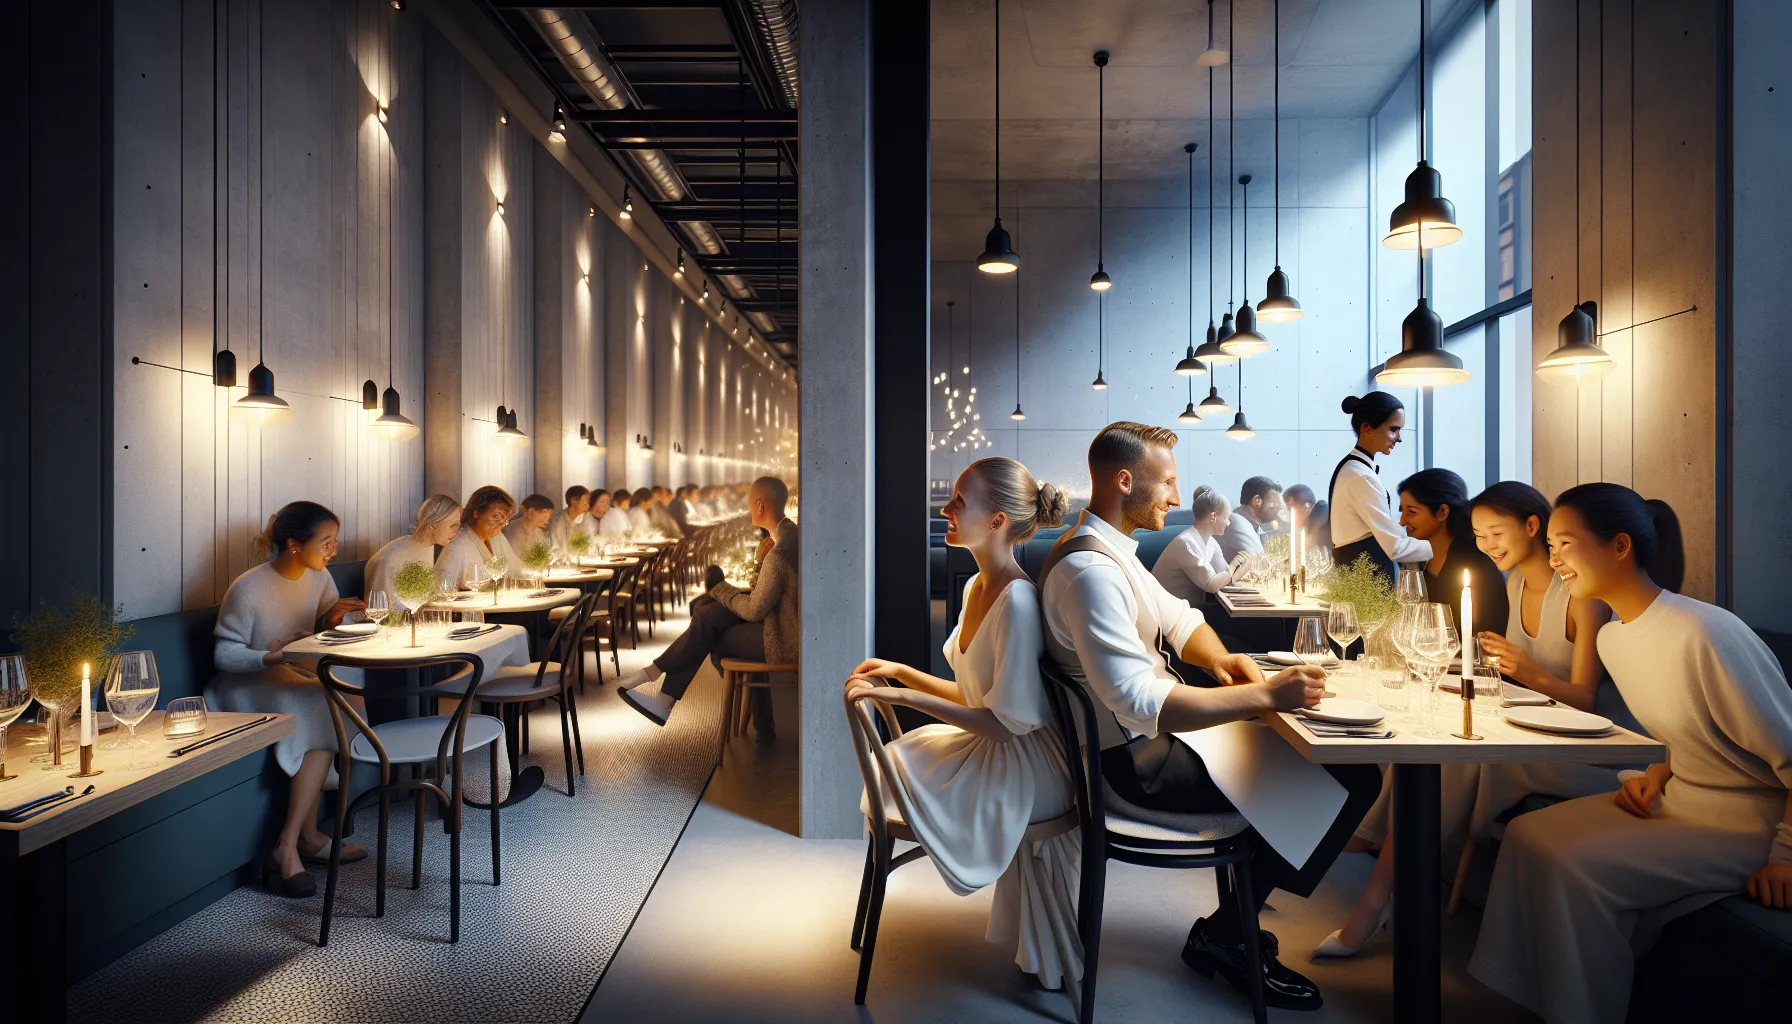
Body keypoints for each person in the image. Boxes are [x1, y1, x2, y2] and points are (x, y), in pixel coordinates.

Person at [1040, 422, 1380, 1011]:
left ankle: (1230, 930)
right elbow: (1141, 702)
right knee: (1354, 776)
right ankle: (1230, 937)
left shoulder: (1107, 551)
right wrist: (1267, 699)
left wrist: (1225, 661)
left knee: (1341, 768)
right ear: (1125, 481)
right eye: (1167, 481)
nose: (1176, 496)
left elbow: (1178, 619)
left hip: (1147, 743)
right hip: (1134, 765)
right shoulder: (1089, 573)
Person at [1469, 484, 1792, 1024]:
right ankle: (1542, 1003)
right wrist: (1660, 775)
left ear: (1620, 546)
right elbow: (1691, 734)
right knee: (1526, 836)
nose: (1554, 561)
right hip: (1679, 799)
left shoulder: (1705, 632)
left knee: (1574, 867)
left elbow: (1784, 751)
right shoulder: (1615, 639)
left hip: (1746, 824)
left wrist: (1784, 857)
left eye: (1565, 544)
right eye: (1550, 546)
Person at [1318, 480, 1630, 958]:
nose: (1487, 547)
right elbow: (1504, 676)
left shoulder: (1582, 595)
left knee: (1448, 757)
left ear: (1532, 526)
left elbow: (1585, 700)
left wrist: (1525, 671)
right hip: (1530, 728)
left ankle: (1370, 889)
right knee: (1433, 742)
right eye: (1480, 537)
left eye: (1496, 535)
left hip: (1584, 751)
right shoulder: (1516, 582)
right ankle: (1376, 887)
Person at [844, 457, 1082, 990]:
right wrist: (903, 671)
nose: (946, 509)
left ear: (998, 521)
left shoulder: (1018, 600)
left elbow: (1002, 723)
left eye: (958, 501)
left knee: (903, 770)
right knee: (900, 767)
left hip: (1027, 763)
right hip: (996, 743)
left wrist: (906, 696)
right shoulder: (978, 586)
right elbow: (976, 695)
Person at [208, 502, 367, 898]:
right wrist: (273, 655)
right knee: (318, 703)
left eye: (334, 542)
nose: (332, 551)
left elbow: (325, 621)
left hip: (290, 673)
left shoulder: (319, 577)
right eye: (326, 543)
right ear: (295, 545)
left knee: (338, 692)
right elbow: (225, 653)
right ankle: (289, 845)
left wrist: (334, 620)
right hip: (246, 681)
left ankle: (308, 837)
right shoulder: (248, 587)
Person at [617, 476, 798, 738]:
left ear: (759, 505)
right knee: (709, 615)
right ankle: (760, 726)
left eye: (749, 504)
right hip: (785, 626)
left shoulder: (779, 553)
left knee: (713, 634)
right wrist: (720, 591)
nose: (747, 509)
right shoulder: (790, 536)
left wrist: (719, 587)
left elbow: (754, 611)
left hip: (783, 639)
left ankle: (660, 687)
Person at [1329, 392, 1430, 581]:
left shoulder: (1353, 469)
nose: (1398, 438)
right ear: (1367, 428)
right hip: (1367, 583)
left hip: (1359, 578)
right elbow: (1395, 547)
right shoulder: (1360, 476)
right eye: (1394, 429)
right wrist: (1437, 546)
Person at [1396, 468, 1508, 637]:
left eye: (1412, 512)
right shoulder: (1415, 563)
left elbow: (1486, 634)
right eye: (1401, 511)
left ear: (1442, 512)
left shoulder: (1478, 567)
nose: (1402, 521)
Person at [365, 494, 462, 610]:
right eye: (453, 525)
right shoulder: (392, 558)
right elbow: (379, 610)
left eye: (459, 525)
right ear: (432, 526)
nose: (457, 531)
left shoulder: (426, 547)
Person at [1152, 484, 1235, 601]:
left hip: (1187, 609)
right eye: (1226, 517)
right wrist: (1236, 568)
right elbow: (1212, 584)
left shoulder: (1211, 542)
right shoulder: (1187, 543)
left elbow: (1224, 572)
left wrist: (1241, 568)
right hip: (1166, 611)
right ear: (1214, 517)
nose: (1228, 523)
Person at [436, 485, 519, 589]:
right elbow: (442, 590)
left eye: (505, 519)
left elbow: (516, 570)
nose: (501, 524)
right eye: (496, 516)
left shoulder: (496, 539)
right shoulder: (458, 546)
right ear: (476, 513)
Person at [1218, 476, 1282, 562]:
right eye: (1274, 503)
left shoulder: (1254, 526)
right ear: (1257, 501)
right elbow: (1261, 564)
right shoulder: (1235, 521)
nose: (1279, 508)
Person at [548, 486, 592, 556]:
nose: (587, 506)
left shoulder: (582, 518)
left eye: (588, 503)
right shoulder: (558, 522)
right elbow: (558, 549)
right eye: (584, 503)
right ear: (573, 501)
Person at [1283, 484, 1330, 550]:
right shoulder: (1313, 525)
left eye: (1290, 510)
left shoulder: (1323, 524)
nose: (1289, 516)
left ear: (1306, 506)